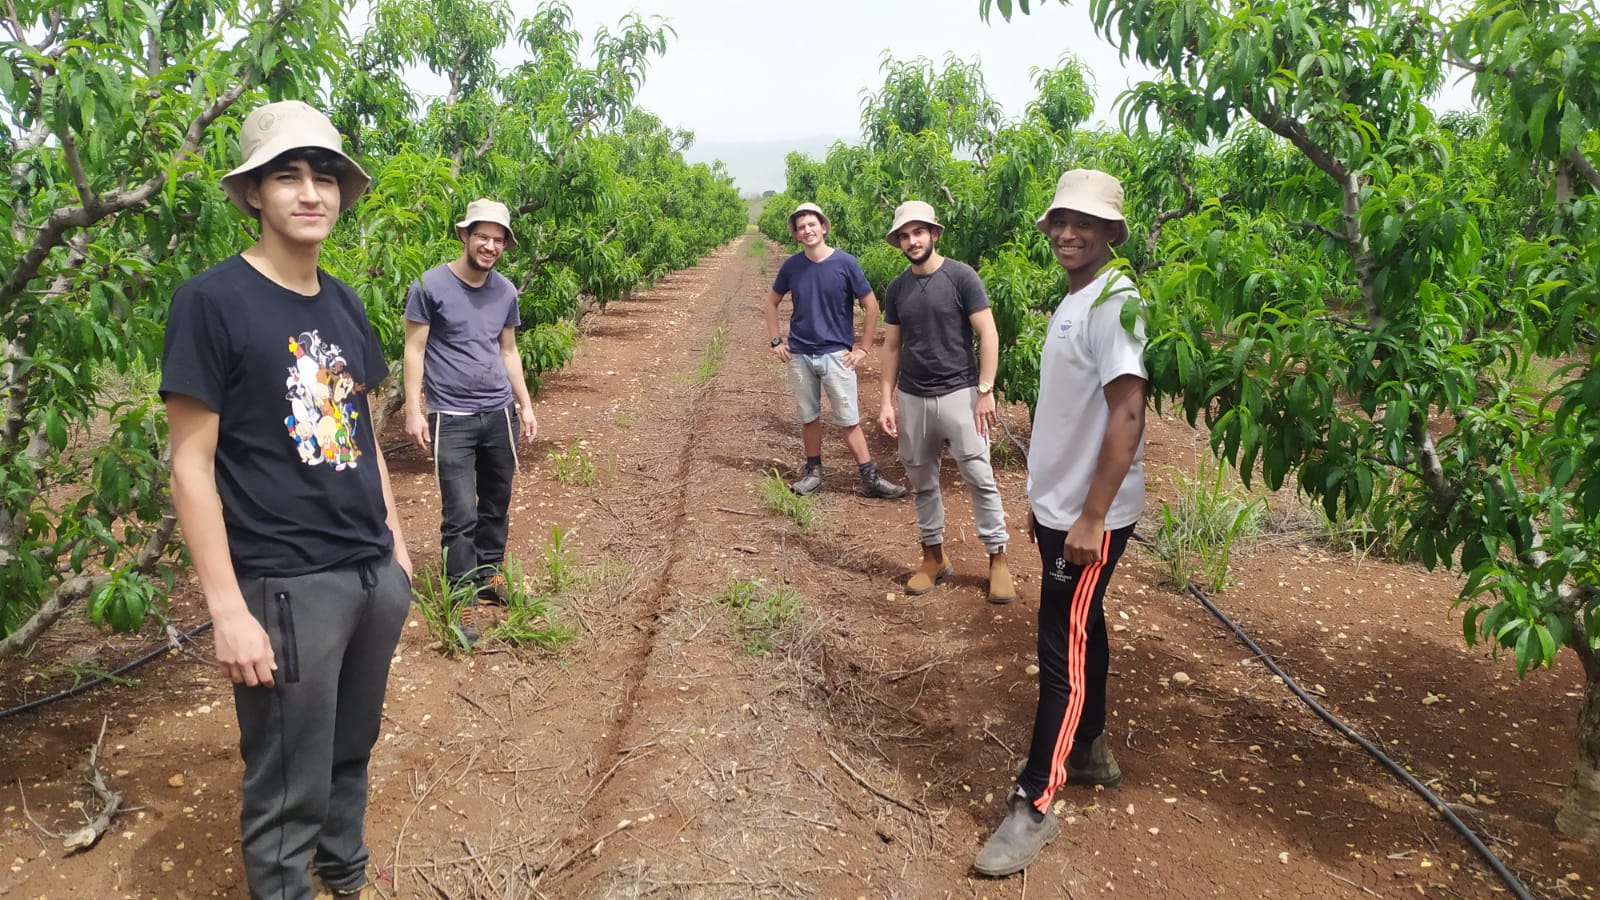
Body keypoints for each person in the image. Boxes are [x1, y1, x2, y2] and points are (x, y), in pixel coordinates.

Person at [161, 99, 412, 900]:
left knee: (350, 749)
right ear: (254, 195)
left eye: (326, 176)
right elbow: (191, 466)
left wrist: (397, 549)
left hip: (370, 574)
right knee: (286, 781)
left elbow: (361, 430)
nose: (312, 193)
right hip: (286, 584)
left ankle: (347, 876)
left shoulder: (340, 301)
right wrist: (229, 609)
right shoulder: (212, 301)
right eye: (288, 176)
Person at [974, 169, 1148, 878]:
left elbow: (1128, 411)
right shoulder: (1075, 297)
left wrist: (1092, 516)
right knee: (1083, 626)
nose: (1068, 232)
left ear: (1111, 232)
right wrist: (1049, 501)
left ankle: (1035, 801)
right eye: (1060, 222)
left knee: (1060, 652)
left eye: (1085, 222)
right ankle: (1091, 748)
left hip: (1088, 516)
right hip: (1062, 509)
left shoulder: (1115, 301)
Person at [402, 198, 538, 643]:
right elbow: (415, 349)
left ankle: (489, 575)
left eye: (499, 239)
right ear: (464, 235)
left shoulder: (506, 291)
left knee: (496, 503)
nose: (490, 245)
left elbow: (508, 350)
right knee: (460, 513)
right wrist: (412, 408)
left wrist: (525, 403)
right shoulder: (430, 285)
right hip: (452, 418)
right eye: (483, 235)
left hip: (498, 414)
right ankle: (461, 595)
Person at [876, 201, 1015, 603]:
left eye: (918, 232)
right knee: (921, 481)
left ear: (934, 234)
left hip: (959, 393)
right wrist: (887, 401)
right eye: (904, 235)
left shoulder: (961, 277)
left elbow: (988, 332)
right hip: (914, 397)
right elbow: (892, 346)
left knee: (980, 478)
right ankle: (933, 557)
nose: (911, 240)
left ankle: (997, 559)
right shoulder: (898, 288)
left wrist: (985, 390)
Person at [764, 202, 906, 499]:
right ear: (796, 234)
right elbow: (771, 302)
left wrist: (863, 348)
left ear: (824, 227)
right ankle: (814, 471)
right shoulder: (792, 266)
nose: (807, 230)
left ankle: (869, 475)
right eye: (801, 227)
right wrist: (776, 341)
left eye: (812, 224)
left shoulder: (845, 263)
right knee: (808, 416)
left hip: (835, 355)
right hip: (800, 354)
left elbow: (871, 306)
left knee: (848, 418)